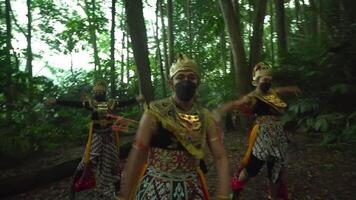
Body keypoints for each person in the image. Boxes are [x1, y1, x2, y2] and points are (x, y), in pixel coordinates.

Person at [118, 53, 230, 200]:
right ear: (171, 83)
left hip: (191, 189)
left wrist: (223, 195)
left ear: (198, 82)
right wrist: (125, 194)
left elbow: (220, 157)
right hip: (155, 188)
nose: (186, 81)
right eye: (180, 77)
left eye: (191, 77)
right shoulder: (155, 112)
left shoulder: (204, 116)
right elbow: (138, 152)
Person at [215, 62, 301, 200]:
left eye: (269, 80)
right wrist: (221, 110)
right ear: (257, 81)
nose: (268, 82)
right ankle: (237, 187)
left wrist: (292, 89)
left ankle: (272, 196)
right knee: (252, 168)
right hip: (263, 136)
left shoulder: (271, 93)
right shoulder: (252, 96)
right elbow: (237, 103)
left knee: (276, 169)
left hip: (278, 135)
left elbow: (280, 90)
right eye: (264, 80)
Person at [46, 81, 143, 199]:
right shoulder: (91, 103)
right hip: (97, 136)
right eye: (97, 92)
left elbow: (124, 103)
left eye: (101, 92)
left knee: (112, 160)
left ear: (105, 93)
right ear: (94, 93)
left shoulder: (111, 103)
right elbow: (74, 104)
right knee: (88, 160)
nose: (99, 93)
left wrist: (136, 99)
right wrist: (57, 101)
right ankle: (74, 186)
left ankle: (116, 189)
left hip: (109, 136)